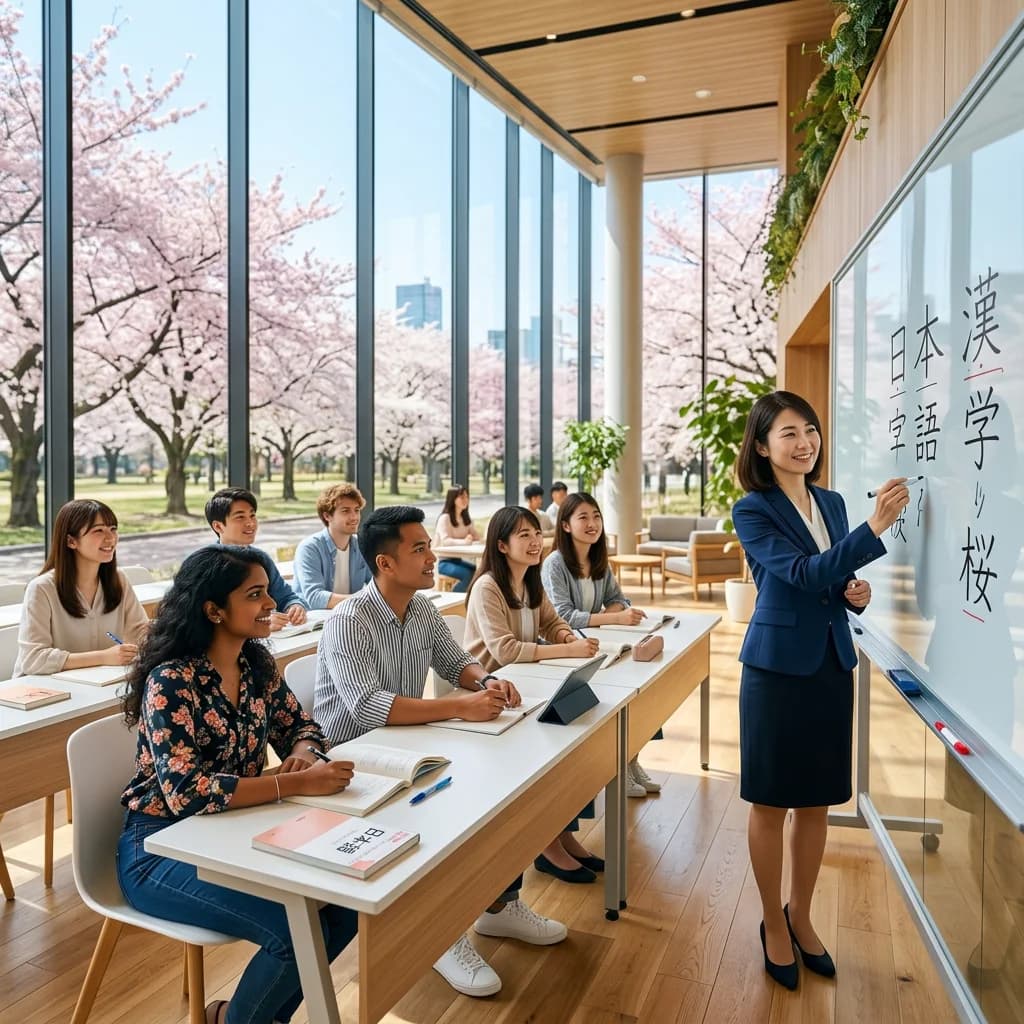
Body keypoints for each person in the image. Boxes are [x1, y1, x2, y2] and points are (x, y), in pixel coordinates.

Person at [314, 505, 568, 998]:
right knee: (451, 804)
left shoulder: (423, 607)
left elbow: (458, 663)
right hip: (355, 761)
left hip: (408, 745)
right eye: (419, 549)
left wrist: (489, 681)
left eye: (428, 546)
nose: (433, 557)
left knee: (500, 783)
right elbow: (368, 708)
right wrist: (458, 710)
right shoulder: (350, 619)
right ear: (385, 564)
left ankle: (497, 907)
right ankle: (438, 935)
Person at [118, 545, 357, 1024]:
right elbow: (186, 792)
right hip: (159, 848)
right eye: (255, 595)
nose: (271, 604)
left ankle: (241, 1017)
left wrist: (299, 755)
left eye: (267, 591)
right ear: (213, 610)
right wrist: (292, 785)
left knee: (344, 909)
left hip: (234, 830)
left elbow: (304, 728)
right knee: (295, 933)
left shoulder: (256, 667)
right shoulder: (172, 680)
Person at [732, 390, 908, 990]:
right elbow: (802, 572)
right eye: (788, 433)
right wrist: (874, 529)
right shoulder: (752, 510)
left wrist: (855, 591)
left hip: (831, 662)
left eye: (810, 430)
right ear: (761, 445)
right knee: (771, 801)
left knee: (817, 802)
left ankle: (800, 915)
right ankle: (771, 923)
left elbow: (833, 576)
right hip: (777, 671)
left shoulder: (830, 502)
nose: (804, 442)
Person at [464, 506, 606, 886]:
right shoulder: (488, 586)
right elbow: (506, 650)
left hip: (525, 687)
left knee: (577, 738)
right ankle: (546, 844)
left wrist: (565, 637)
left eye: (536, 534)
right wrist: (567, 651)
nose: (535, 542)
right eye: (524, 535)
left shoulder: (531, 580)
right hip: (492, 698)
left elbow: (551, 622)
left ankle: (561, 833)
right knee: (555, 747)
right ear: (501, 545)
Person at [541, 491, 660, 799]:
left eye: (596, 516)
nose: (592, 523)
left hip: (597, 646)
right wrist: (612, 618)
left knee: (637, 691)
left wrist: (609, 615)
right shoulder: (555, 563)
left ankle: (630, 761)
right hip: (564, 654)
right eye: (583, 517)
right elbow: (563, 615)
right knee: (613, 696)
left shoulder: (598, 560)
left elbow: (620, 599)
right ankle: (616, 770)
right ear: (565, 525)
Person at [14, 499, 148, 677]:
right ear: (71, 541)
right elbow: (33, 660)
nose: (110, 538)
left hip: (95, 684)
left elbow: (141, 632)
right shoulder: (41, 589)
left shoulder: (119, 580)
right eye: (98, 530)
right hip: (41, 690)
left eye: (113, 529)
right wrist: (103, 657)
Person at [205, 487, 308, 630]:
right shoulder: (206, 564)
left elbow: (286, 596)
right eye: (240, 517)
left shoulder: (261, 559)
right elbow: (207, 615)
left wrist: (295, 606)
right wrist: (259, 620)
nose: (250, 523)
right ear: (218, 526)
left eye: (252, 516)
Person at [293, 482, 371, 609]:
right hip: (313, 621)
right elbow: (315, 597)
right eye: (345, 511)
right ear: (327, 516)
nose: (354, 517)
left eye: (356, 510)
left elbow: (377, 584)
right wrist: (362, 600)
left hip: (349, 616)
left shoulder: (361, 546)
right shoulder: (309, 548)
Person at [433, 484, 480, 593]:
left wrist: (473, 536)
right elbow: (445, 541)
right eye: (462, 497)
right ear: (453, 499)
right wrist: (465, 541)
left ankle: (467, 601)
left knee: (477, 571)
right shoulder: (445, 518)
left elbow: (476, 537)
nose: (466, 500)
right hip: (444, 563)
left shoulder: (465, 518)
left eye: (467, 497)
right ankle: (456, 600)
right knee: (467, 574)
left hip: (458, 560)